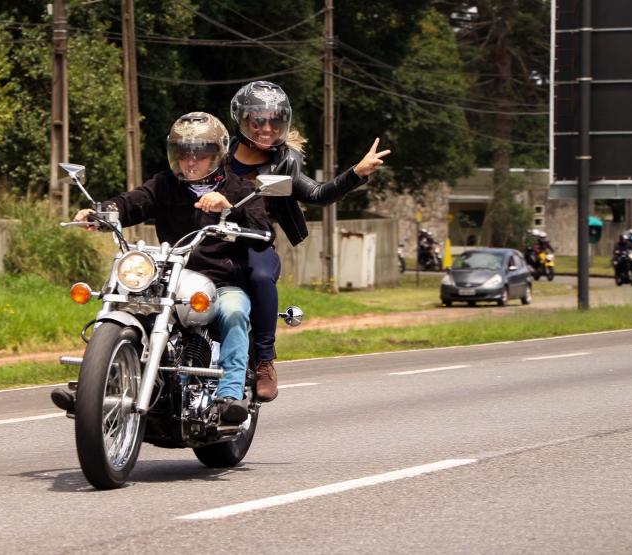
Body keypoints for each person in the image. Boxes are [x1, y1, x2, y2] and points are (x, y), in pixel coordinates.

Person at [53, 112, 272, 424]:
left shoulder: (237, 189)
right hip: (170, 277)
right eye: (184, 155)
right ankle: (94, 387)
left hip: (219, 282)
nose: (190, 163)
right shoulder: (165, 184)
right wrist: (100, 212)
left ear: (217, 155)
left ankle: (230, 395)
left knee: (236, 311)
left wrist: (230, 210)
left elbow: (264, 231)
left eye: (199, 155)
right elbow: (132, 202)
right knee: (122, 301)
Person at [226, 80, 390, 402]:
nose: (266, 128)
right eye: (258, 120)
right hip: (209, 242)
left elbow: (318, 194)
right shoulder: (217, 154)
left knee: (260, 276)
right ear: (242, 120)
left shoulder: (285, 163)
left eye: (274, 120)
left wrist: (356, 172)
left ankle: (264, 361)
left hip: (255, 243)